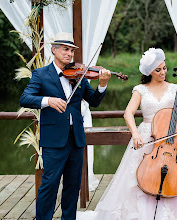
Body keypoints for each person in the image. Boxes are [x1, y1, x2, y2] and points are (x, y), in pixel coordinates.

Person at [76, 48, 177, 220]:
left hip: (171, 139)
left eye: (164, 68)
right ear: (149, 72)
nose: (163, 72)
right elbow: (128, 113)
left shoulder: (175, 88)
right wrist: (135, 134)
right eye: (158, 70)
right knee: (140, 177)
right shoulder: (140, 90)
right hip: (147, 137)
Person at [19, 32, 111, 220]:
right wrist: (47, 100)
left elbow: (93, 102)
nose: (70, 54)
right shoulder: (41, 74)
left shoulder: (80, 75)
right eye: (65, 49)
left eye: (72, 50)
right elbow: (25, 98)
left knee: (72, 185)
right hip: (54, 139)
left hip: (76, 138)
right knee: (50, 184)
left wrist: (102, 85)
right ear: (54, 50)